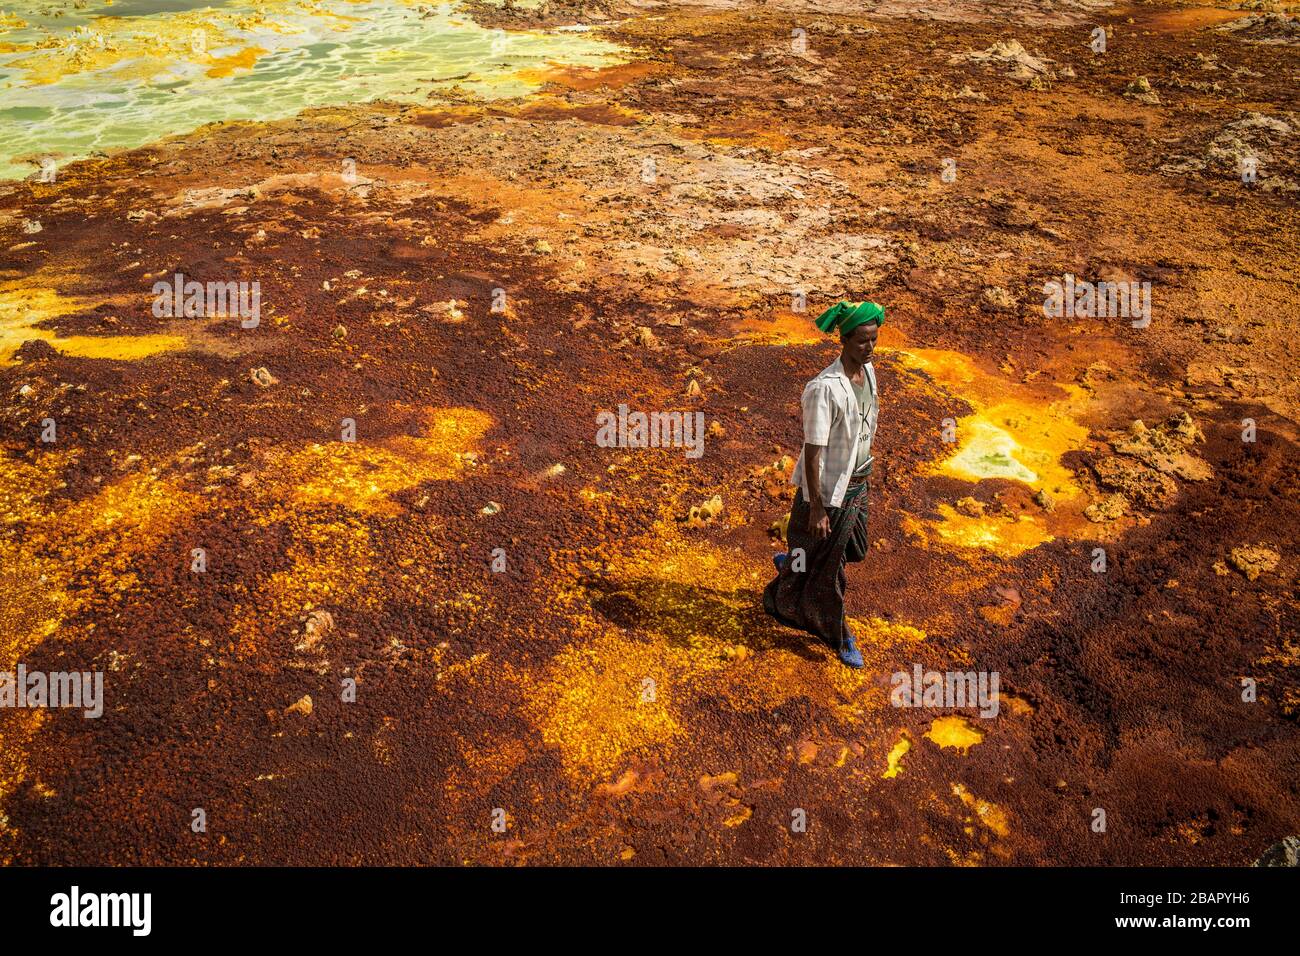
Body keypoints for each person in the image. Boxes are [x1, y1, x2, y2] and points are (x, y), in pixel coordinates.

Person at [763, 300, 882, 668]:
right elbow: (812, 454)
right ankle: (840, 634)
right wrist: (816, 506)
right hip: (828, 493)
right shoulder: (823, 389)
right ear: (843, 339)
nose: (870, 348)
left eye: (874, 340)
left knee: (853, 548)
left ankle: (794, 566)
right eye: (862, 341)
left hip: (857, 483)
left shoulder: (869, 371)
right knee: (830, 572)